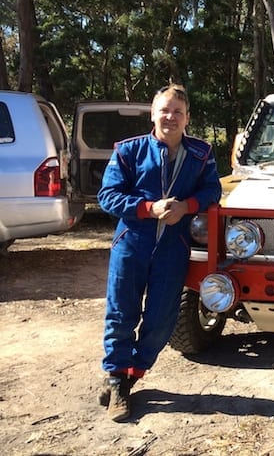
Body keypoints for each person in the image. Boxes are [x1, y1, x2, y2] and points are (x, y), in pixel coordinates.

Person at [97, 84, 222, 421]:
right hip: (132, 242)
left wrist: (187, 206)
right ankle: (117, 382)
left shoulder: (201, 154)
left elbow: (213, 190)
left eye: (177, 112)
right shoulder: (129, 151)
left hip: (173, 247)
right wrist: (149, 208)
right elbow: (107, 196)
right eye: (164, 110)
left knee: (161, 320)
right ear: (153, 114)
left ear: (187, 118)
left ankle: (129, 375)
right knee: (121, 314)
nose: (170, 117)